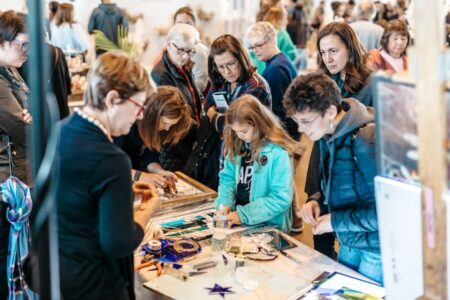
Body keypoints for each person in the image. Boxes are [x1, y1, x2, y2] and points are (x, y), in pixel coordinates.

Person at [56, 51, 160, 299]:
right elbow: (118, 242)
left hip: (61, 272)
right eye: (138, 106)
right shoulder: (111, 159)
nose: (141, 116)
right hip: (95, 283)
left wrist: (120, 191)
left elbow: (74, 193)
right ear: (113, 98)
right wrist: (148, 209)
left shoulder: (61, 130)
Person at [283, 71, 382, 283]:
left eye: (306, 121)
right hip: (349, 239)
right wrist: (315, 200)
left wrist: (335, 221)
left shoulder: (366, 141)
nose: (301, 129)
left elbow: (387, 213)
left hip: (376, 249)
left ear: (329, 111)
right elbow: (337, 184)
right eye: (297, 122)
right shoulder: (327, 133)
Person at [215, 95, 295, 233]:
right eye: (235, 131)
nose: (240, 136)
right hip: (237, 221)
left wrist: (243, 215)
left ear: (257, 123)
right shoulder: (237, 144)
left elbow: (280, 198)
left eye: (244, 131)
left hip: (267, 225)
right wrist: (225, 204)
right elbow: (227, 179)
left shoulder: (277, 152)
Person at [0, 10, 31, 299]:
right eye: (23, 44)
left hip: (19, 176)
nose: (28, 51)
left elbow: (29, 117)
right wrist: (28, 119)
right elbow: (24, 128)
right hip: (6, 185)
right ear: (2, 41)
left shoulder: (10, 70)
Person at [114, 85, 193, 190]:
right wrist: (141, 176)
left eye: (171, 125)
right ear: (152, 115)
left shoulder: (156, 127)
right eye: (164, 123)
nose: (167, 129)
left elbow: (150, 155)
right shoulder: (122, 121)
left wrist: (160, 172)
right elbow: (108, 165)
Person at [151, 23, 201, 172]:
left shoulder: (183, 67)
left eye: (190, 51)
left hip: (185, 143)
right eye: (180, 50)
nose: (185, 56)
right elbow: (177, 116)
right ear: (168, 45)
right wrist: (203, 130)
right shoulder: (161, 75)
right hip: (172, 147)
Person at [206, 34, 271, 133]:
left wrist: (213, 115)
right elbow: (207, 105)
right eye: (221, 67)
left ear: (242, 59)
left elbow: (236, 127)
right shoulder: (222, 80)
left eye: (231, 64)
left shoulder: (256, 87)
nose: (227, 72)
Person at [245, 21, 298, 138]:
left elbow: (276, 111)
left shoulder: (276, 69)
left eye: (258, 45)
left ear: (272, 41)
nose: (255, 51)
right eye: (252, 47)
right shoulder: (279, 60)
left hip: (282, 134)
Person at [317, 22, 373, 106]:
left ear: (350, 49)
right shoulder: (324, 80)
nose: (328, 59)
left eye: (333, 51)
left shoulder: (371, 85)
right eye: (323, 52)